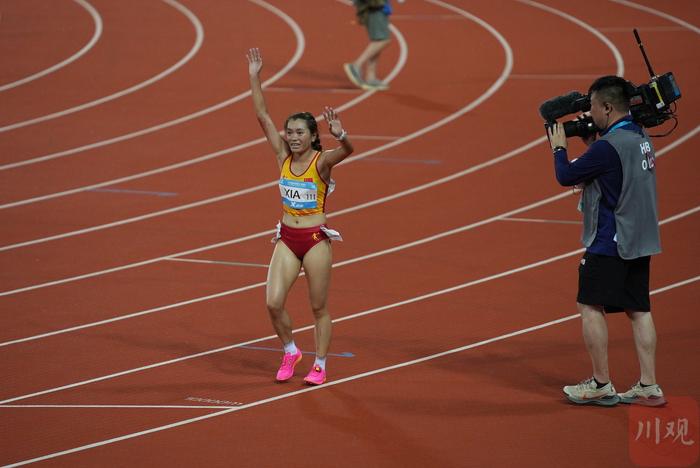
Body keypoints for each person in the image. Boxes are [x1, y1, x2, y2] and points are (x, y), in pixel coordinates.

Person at [547, 75, 665, 407]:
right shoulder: (639, 136)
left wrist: (559, 147)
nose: (591, 113)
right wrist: (591, 143)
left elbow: (566, 176)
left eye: (594, 106)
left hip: (611, 240)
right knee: (639, 309)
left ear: (608, 107)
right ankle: (649, 385)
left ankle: (600, 383)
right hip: (641, 239)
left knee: (589, 305)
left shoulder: (608, 146)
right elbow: (613, 168)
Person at [246, 48, 354, 386]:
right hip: (287, 238)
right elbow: (263, 116)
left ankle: (320, 364)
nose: (292, 138)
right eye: (289, 132)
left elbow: (348, 152)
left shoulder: (320, 161)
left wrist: (342, 135)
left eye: (299, 133)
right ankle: (291, 350)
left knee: (318, 307)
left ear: (311, 136)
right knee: (273, 302)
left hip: (315, 240)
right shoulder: (281, 155)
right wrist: (254, 77)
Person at [343, 0, 404, 91]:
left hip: (377, 6)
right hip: (374, 6)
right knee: (383, 40)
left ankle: (371, 76)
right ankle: (356, 65)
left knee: (378, 39)